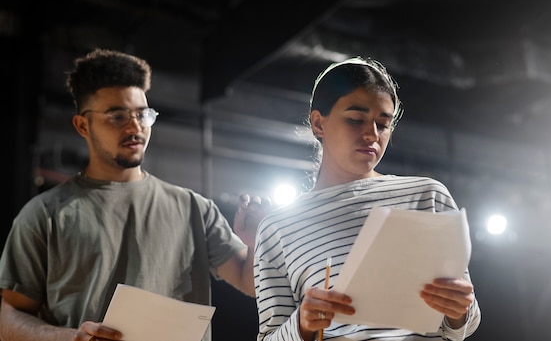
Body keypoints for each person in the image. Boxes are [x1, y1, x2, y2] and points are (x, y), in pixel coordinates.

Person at [0, 48, 269, 341]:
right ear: (82, 125)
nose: (135, 127)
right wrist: (71, 338)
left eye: (142, 114)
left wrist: (256, 241)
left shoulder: (194, 208)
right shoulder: (44, 215)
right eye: (117, 116)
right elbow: (9, 320)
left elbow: (251, 281)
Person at [253, 57, 481, 341]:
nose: (371, 134)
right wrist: (302, 324)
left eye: (383, 124)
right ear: (318, 123)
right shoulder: (278, 227)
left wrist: (458, 308)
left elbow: (465, 323)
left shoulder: (427, 195)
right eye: (355, 120)